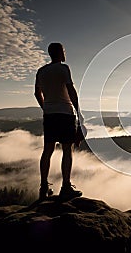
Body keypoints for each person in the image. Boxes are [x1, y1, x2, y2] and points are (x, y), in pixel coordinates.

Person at [34, 42, 84, 201]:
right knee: (67, 150)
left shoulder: (41, 71)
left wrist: (46, 108)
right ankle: (66, 187)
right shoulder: (64, 68)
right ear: (59, 53)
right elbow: (71, 90)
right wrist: (79, 113)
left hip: (49, 115)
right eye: (63, 50)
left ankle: (43, 187)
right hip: (65, 114)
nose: (65, 53)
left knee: (47, 151)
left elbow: (37, 93)